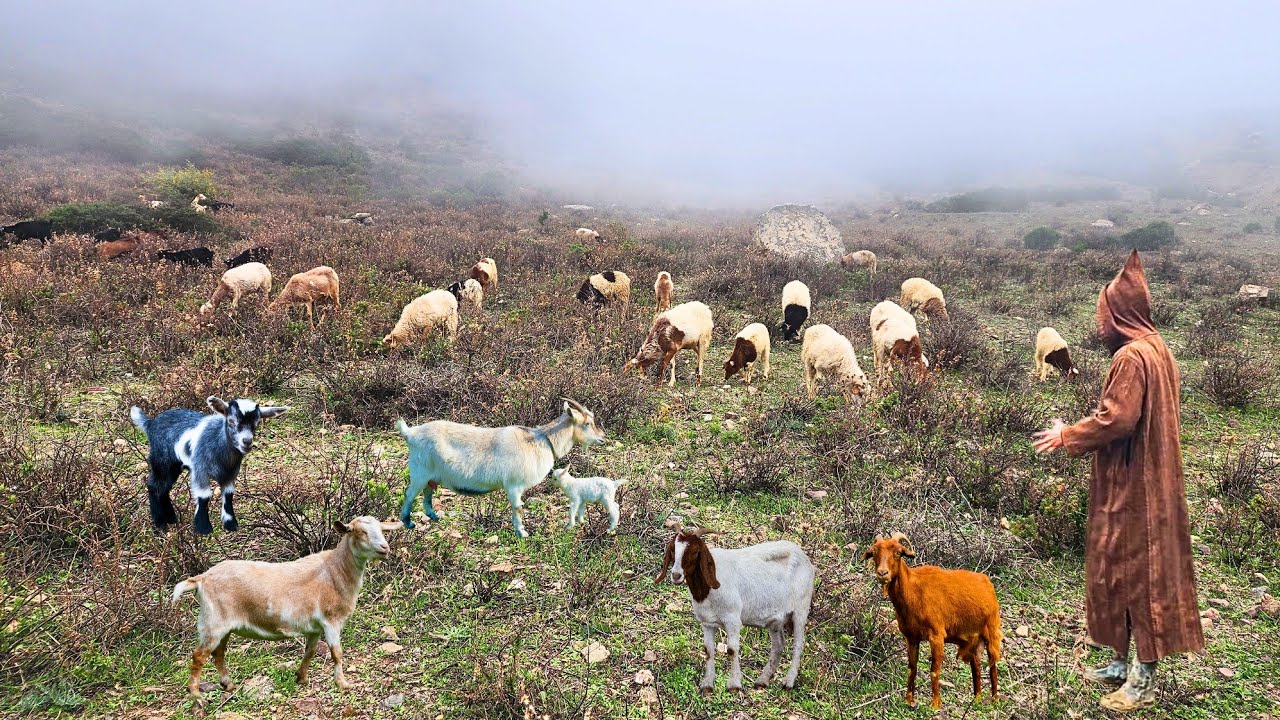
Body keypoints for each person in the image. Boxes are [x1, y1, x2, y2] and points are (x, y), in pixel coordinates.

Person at [1033, 250, 1203, 712]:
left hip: (1136, 486)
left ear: (1120, 313)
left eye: (1104, 314)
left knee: (1137, 573)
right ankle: (1117, 660)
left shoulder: (1131, 357)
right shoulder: (1159, 348)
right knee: (1114, 566)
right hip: (1148, 478)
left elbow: (1118, 420)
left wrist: (1066, 434)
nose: (1100, 324)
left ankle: (1142, 680)